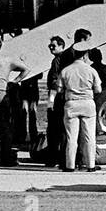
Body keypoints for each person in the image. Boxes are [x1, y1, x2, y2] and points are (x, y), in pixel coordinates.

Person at [58, 42, 105, 172]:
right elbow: (98, 90)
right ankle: (90, 164)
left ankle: (70, 165)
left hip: (71, 103)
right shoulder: (91, 70)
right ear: (85, 55)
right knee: (89, 136)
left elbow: (59, 89)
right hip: (87, 103)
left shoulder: (65, 70)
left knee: (71, 137)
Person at [0, 36, 27, 167]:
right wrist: (15, 81)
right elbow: (26, 69)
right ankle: (6, 155)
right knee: (5, 127)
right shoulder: (7, 60)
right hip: (3, 92)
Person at [44, 36, 66, 166]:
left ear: (61, 46)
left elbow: (54, 83)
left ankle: (52, 158)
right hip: (63, 97)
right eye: (50, 46)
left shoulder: (57, 61)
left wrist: (50, 102)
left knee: (53, 128)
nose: (51, 48)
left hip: (56, 96)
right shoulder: (64, 59)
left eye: (54, 46)